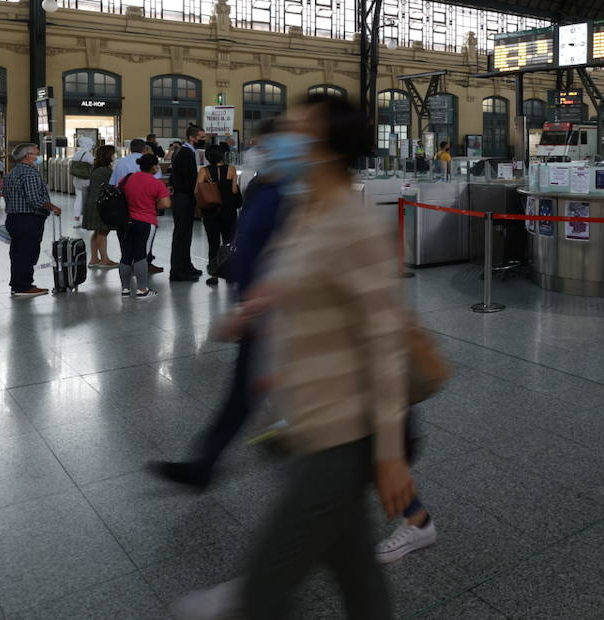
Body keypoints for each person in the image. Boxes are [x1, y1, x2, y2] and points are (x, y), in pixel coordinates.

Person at [169, 96, 413, 619]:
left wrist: (390, 455)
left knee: (265, 589)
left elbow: (385, 345)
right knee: (357, 575)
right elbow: (299, 285)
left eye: (298, 131)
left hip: (341, 433)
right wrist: (257, 308)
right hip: (309, 420)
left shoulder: (352, 223)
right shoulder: (307, 208)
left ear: (325, 149)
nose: (279, 141)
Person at [151, 120, 288, 490]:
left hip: (276, 312)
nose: (260, 150)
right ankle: (205, 464)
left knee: (258, 386)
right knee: (243, 391)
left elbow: (291, 256)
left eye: (267, 144)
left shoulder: (293, 193)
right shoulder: (264, 187)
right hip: (256, 308)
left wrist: (254, 306)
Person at [3, 143, 61, 298]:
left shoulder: (13, 172)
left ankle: (18, 283)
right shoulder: (29, 173)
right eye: (36, 153)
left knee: (17, 252)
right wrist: (53, 207)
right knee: (27, 253)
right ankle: (23, 286)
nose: (38, 156)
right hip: (28, 219)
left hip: (14, 218)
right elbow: (35, 199)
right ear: (27, 156)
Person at [118, 154, 171, 300]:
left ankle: (125, 289)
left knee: (126, 254)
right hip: (145, 222)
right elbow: (166, 204)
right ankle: (142, 289)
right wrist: (154, 204)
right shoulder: (156, 183)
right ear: (154, 167)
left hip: (125, 222)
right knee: (141, 255)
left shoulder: (128, 178)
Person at [198, 144, 242, 287]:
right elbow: (234, 190)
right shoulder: (231, 169)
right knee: (229, 242)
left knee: (213, 243)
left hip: (211, 211)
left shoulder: (203, 171)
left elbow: (197, 190)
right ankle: (230, 273)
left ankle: (214, 275)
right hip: (228, 211)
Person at [170, 125, 204, 282]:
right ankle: (177, 270)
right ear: (192, 137)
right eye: (201, 137)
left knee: (185, 234)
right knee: (182, 235)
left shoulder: (181, 151)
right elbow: (189, 178)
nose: (203, 140)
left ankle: (186, 264)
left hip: (181, 197)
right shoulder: (186, 153)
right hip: (184, 197)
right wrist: (196, 196)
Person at [82, 144, 118, 267]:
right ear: (108, 156)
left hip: (92, 201)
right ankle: (104, 260)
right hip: (101, 203)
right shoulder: (106, 170)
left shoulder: (95, 168)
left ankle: (94, 259)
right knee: (103, 231)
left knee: (97, 231)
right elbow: (113, 185)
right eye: (113, 153)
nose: (115, 156)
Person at [69, 134, 96, 225]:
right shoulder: (87, 154)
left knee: (78, 198)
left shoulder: (77, 153)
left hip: (77, 179)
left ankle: (76, 219)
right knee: (87, 199)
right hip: (86, 180)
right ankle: (86, 219)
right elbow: (94, 163)